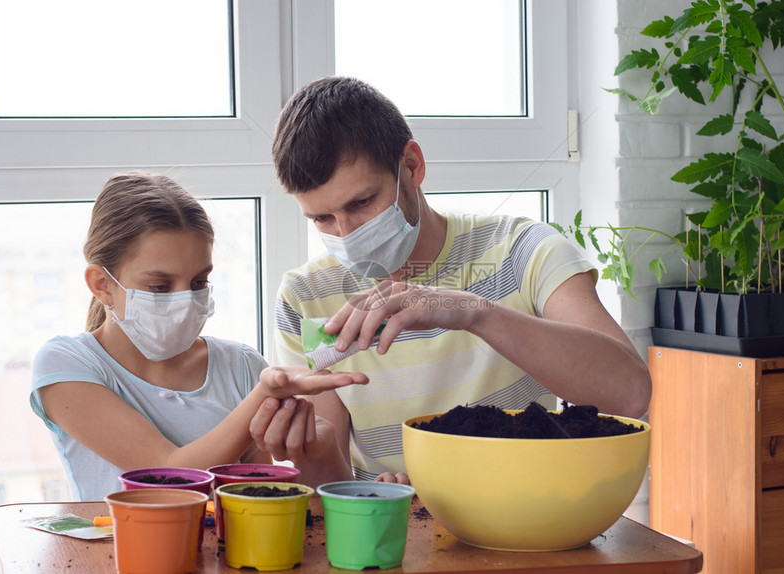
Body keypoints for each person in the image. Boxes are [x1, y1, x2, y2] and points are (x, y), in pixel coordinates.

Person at [251, 76, 651, 485]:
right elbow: (329, 471)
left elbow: (630, 394)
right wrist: (370, 497)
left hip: (527, 518)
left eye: (362, 202)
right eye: (321, 218)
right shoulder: (306, 295)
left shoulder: (523, 250)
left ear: (411, 167)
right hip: (393, 536)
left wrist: (473, 313)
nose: (347, 233)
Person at [30, 171, 367, 501]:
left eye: (198, 283)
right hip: (110, 558)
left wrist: (316, 446)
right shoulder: (67, 364)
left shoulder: (241, 365)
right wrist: (263, 393)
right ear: (102, 285)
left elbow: (254, 496)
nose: (183, 301)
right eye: (159, 287)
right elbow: (169, 473)